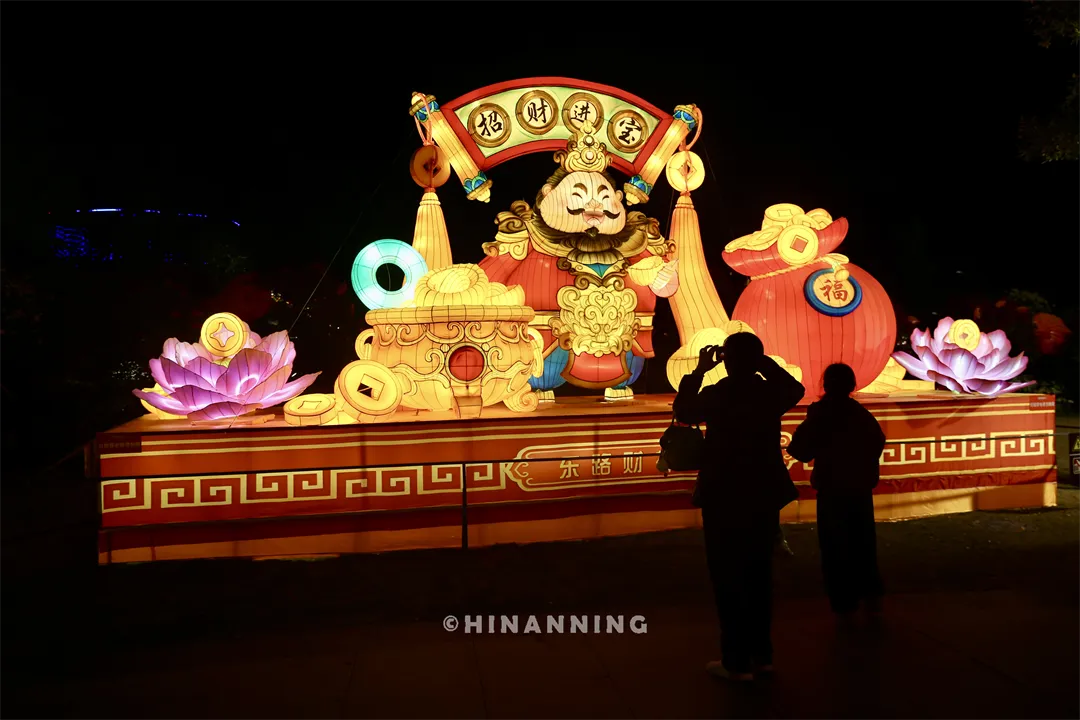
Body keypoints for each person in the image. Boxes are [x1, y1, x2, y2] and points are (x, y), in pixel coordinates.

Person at [674, 332, 805, 682]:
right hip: (762, 491)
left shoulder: (718, 394)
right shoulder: (768, 394)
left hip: (723, 492)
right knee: (759, 573)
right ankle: (762, 655)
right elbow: (796, 388)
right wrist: (761, 363)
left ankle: (736, 660)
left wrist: (700, 370)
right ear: (758, 360)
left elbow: (683, 410)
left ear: (726, 361)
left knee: (727, 574)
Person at [787, 363, 886, 619]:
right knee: (863, 543)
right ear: (852, 386)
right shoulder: (860, 414)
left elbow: (799, 450)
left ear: (825, 385)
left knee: (834, 546)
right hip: (859, 487)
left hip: (831, 488)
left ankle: (843, 602)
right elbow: (877, 442)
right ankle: (870, 594)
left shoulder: (821, 414)